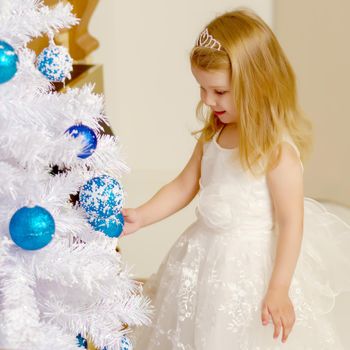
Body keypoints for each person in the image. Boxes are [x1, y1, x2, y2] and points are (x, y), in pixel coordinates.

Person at [120, 8, 350, 349]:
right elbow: (184, 186)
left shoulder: (276, 152)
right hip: (201, 255)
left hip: (249, 267)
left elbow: (290, 222)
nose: (207, 100)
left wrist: (278, 287)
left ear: (258, 85)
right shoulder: (213, 137)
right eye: (202, 88)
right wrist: (143, 215)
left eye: (220, 91)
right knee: (192, 329)